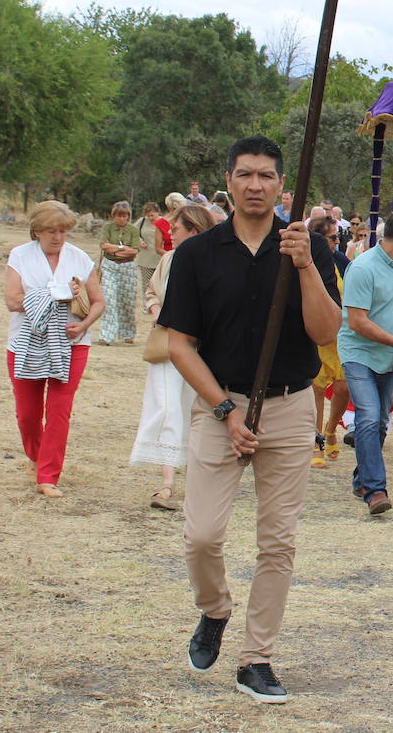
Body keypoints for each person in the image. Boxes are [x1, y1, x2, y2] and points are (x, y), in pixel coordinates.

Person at [159, 135, 341, 704]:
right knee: (202, 535)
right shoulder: (197, 254)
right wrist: (223, 407)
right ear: (230, 180)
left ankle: (256, 658)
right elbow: (179, 345)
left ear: (282, 185)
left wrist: (307, 265)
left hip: (288, 409)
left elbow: (325, 332)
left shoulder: (308, 248)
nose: (255, 185)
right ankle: (214, 610)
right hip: (221, 406)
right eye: (245, 175)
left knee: (277, 543)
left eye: (266, 176)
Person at [5, 201, 105, 497]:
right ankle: (36, 457)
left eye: (62, 231)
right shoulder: (20, 256)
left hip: (71, 345)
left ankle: (48, 476)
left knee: (59, 410)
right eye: (51, 231)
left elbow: (99, 301)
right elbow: (12, 300)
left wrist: (84, 324)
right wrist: (56, 295)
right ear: (36, 231)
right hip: (25, 345)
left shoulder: (80, 258)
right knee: (27, 413)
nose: (58, 237)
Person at [337, 210, 393, 515]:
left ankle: (362, 479)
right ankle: (375, 490)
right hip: (359, 353)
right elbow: (358, 323)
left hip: (391, 355)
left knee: (380, 420)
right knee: (370, 416)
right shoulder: (362, 268)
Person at [131, 203, 217, 509]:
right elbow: (152, 292)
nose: (171, 234)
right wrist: (157, 312)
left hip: (202, 350)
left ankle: (198, 481)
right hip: (167, 346)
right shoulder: (168, 259)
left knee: (197, 411)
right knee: (167, 408)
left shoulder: (214, 262)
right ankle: (167, 483)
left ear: (193, 230)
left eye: (177, 229)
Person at [308, 215, 349, 468]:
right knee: (317, 389)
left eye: (337, 237)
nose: (337, 242)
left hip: (343, 334)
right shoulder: (306, 264)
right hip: (317, 335)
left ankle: (331, 427)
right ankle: (317, 442)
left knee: (344, 387)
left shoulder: (342, 262)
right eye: (333, 237)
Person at [97, 200, 140, 345]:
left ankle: (128, 333)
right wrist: (123, 249)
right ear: (113, 215)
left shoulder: (133, 230)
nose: (122, 219)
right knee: (108, 299)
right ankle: (106, 335)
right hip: (109, 266)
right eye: (119, 216)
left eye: (124, 216)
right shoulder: (107, 228)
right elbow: (104, 246)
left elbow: (134, 250)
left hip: (127, 268)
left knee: (126, 301)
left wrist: (116, 250)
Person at [135, 202, 166, 300]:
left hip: (160, 259)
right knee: (147, 284)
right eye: (148, 216)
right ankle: (147, 305)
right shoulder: (142, 221)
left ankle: (160, 304)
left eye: (152, 215)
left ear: (158, 212)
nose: (150, 218)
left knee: (160, 283)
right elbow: (132, 232)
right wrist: (139, 241)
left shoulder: (165, 221)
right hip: (145, 259)